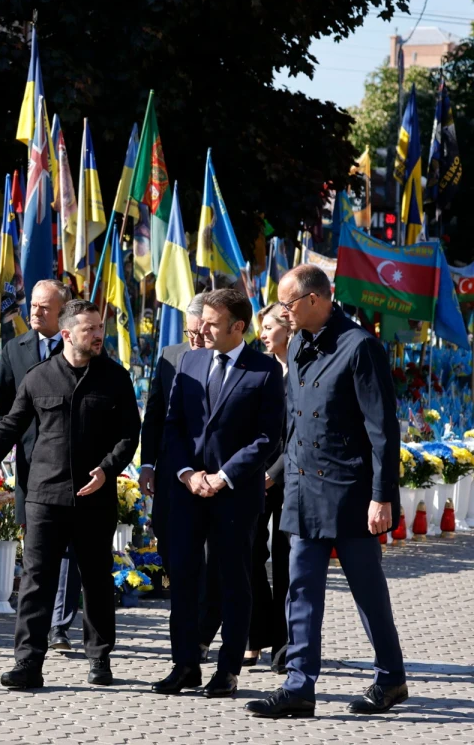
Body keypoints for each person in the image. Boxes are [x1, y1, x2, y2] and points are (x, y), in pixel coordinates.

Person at [246, 265, 406, 718]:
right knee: (299, 589)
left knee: (367, 592)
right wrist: (278, 473)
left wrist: (382, 496)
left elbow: (383, 430)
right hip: (302, 490)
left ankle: (391, 679)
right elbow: (294, 422)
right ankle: (299, 686)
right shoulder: (298, 342)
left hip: (350, 493)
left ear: (314, 299)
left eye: (288, 304)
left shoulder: (360, 347)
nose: (283, 313)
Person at [0, 299, 141, 689]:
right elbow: (7, 430)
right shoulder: (39, 378)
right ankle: (28, 663)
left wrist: (107, 470)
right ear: (67, 333)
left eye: (100, 328)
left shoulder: (115, 378)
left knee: (96, 580)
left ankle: (99, 658)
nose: (98, 335)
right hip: (45, 496)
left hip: (95, 497)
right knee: (37, 580)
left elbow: (129, 435)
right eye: (90, 329)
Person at [154, 288, 284, 699]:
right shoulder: (190, 362)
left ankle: (227, 670)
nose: (202, 330)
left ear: (237, 326)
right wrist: (187, 473)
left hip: (235, 496)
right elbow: (173, 424)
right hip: (187, 492)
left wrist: (223, 477)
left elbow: (268, 437)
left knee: (233, 581)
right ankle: (185, 665)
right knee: (184, 579)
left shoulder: (264, 370)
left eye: (212, 324)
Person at [0, 280, 82, 653]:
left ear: (63, 313)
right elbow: (0, 407)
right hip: (30, 463)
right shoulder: (15, 349)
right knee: (37, 547)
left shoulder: (79, 347)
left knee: (69, 548)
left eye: (44, 307)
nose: (35, 312)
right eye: (34, 306)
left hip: (71, 463)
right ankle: (34, 627)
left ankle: (60, 625)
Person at [139, 292, 206, 567]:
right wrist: (147, 464)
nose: (195, 340)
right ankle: (172, 587)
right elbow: (154, 415)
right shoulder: (170, 355)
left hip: (209, 471)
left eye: (201, 333)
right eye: (190, 332)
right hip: (170, 468)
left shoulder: (230, 359)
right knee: (166, 536)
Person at [246, 303, 293, 671]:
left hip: (293, 477)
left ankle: (284, 644)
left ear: (288, 328)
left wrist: (275, 472)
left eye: (268, 327)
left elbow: (303, 431)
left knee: (286, 560)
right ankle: (255, 634)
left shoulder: (305, 369)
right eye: (260, 328)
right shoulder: (260, 368)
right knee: (249, 553)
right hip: (255, 475)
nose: (262, 334)